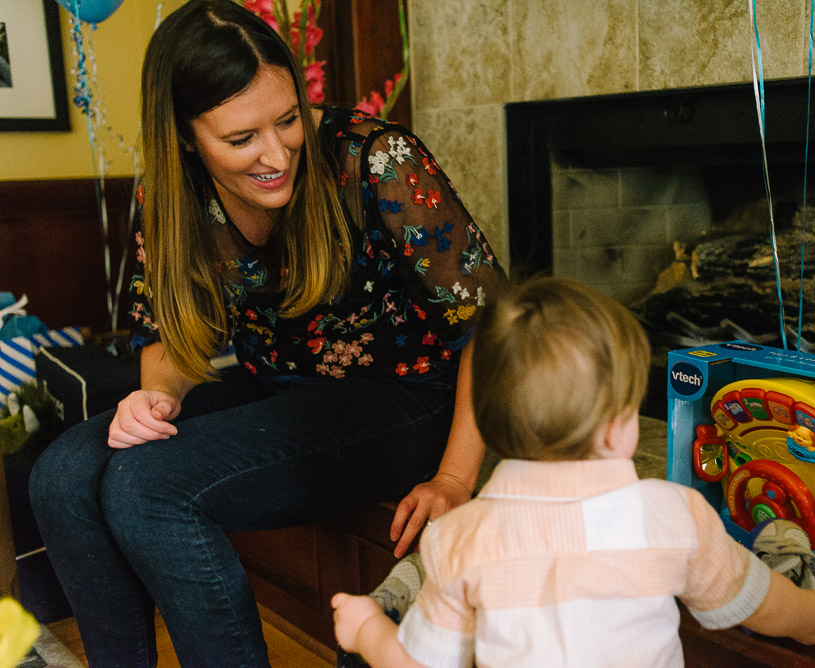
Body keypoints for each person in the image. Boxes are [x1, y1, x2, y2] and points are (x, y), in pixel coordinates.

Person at [28, 1, 503, 665]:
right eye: (242, 137)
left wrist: (455, 478)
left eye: (288, 121)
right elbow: (167, 337)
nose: (277, 153)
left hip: (411, 397)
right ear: (187, 136)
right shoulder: (170, 194)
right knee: (62, 473)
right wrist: (159, 399)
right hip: (278, 387)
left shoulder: (378, 159)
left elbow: (495, 330)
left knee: (145, 490)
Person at [331, 277, 815, 667]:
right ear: (616, 432)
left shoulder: (457, 541)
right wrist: (813, 619)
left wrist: (366, 629)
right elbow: (759, 604)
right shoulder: (673, 517)